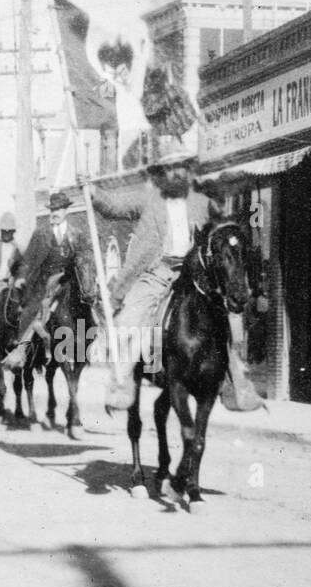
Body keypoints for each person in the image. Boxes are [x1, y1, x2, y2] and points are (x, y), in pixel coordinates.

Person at [90, 139, 263, 411]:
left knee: (220, 318)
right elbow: (114, 207)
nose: (178, 173)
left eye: (182, 166)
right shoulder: (149, 199)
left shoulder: (201, 203)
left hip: (194, 272)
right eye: (171, 168)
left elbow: (222, 229)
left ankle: (236, 384)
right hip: (157, 272)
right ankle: (122, 381)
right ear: (163, 173)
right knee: (131, 320)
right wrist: (93, 192)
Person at [2, 191, 96, 370]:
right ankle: (21, 349)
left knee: (89, 306)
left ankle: (87, 344)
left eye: (59, 209)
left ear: (65, 210)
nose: (56, 212)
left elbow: (86, 256)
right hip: (44, 282)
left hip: (69, 280)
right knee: (31, 309)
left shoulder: (77, 234)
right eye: (53, 209)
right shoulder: (41, 233)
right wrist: (21, 277)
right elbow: (28, 259)